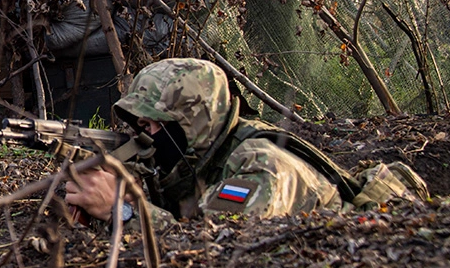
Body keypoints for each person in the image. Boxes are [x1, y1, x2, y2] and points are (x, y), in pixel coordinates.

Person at [65, 57, 428, 227]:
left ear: (194, 122)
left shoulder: (260, 166)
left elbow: (212, 247)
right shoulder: (201, 157)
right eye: (141, 125)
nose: (146, 137)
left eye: (154, 125)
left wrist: (122, 210)